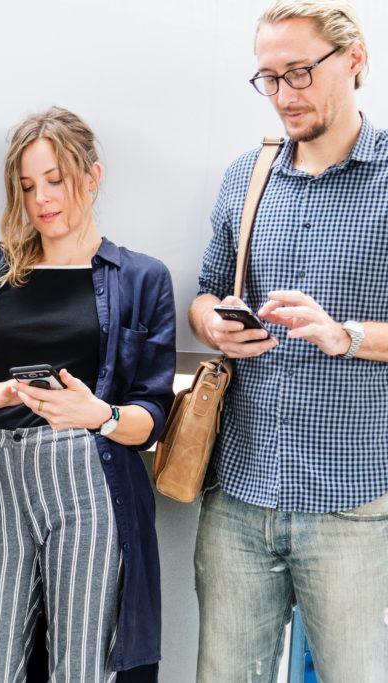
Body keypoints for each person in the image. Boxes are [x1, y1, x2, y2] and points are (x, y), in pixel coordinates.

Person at [189, 1, 388, 680]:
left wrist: (346, 334)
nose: (283, 95)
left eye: (299, 73)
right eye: (268, 78)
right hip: (239, 497)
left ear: (354, 59)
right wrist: (211, 322)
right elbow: (206, 292)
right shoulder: (248, 175)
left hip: (353, 506)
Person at [0, 107, 176, 683]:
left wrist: (97, 414)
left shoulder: (142, 278)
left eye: (56, 180)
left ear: (92, 177)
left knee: (85, 667)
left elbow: (153, 415)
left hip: (91, 484)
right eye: (28, 186)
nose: (42, 199)